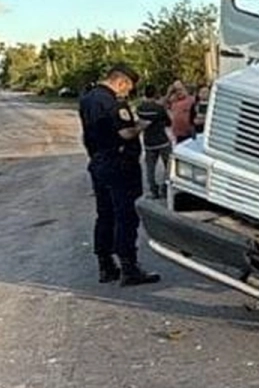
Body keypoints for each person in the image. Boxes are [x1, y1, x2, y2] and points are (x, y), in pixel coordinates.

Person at [79, 64, 161, 287]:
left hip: (98, 162)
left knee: (105, 214)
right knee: (125, 215)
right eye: (128, 88)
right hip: (120, 164)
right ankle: (129, 267)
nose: (127, 93)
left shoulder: (87, 98)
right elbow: (125, 132)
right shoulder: (114, 102)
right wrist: (141, 126)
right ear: (121, 81)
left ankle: (105, 265)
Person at [136, 84, 171, 199]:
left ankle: (153, 190)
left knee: (150, 168)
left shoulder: (140, 108)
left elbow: (140, 121)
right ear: (155, 93)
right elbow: (168, 122)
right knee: (169, 166)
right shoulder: (159, 108)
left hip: (148, 142)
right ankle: (165, 189)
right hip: (162, 140)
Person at [166, 79, 195, 144]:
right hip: (178, 134)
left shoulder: (191, 100)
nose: (179, 92)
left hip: (189, 133)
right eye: (176, 90)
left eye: (180, 89)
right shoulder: (173, 101)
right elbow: (162, 105)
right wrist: (169, 93)